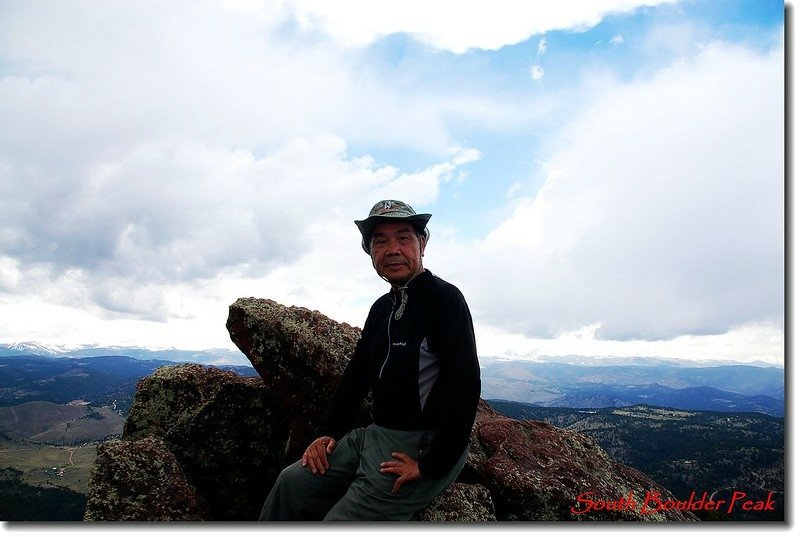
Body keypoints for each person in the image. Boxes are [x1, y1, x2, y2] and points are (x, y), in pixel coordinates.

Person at [259, 199, 481, 521]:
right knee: (291, 482)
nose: (392, 249)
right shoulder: (381, 308)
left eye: (403, 237)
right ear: (371, 253)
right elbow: (357, 375)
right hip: (374, 435)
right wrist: (326, 432)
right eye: (380, 241)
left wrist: (431, 465)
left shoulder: (445, 300)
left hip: (420, 444)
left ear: (422, 243)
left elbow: (466, 384)